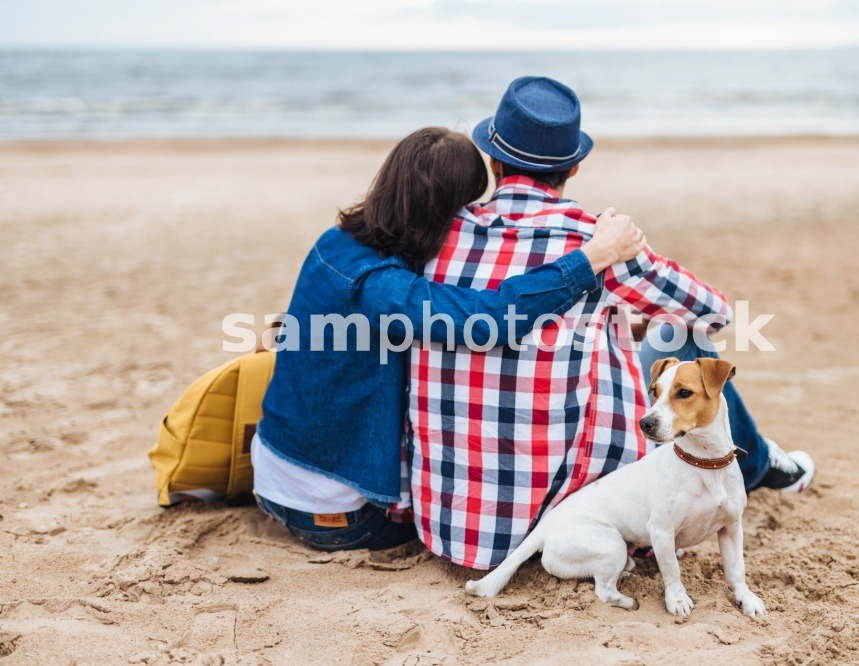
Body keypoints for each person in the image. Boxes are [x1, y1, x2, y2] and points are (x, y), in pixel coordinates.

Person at [407, 77, 815, 571]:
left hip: (451, 530)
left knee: (613, 334)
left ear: (494, 160)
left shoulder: (439, 232)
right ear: (575, 166)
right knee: (681, 335)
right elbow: (716, 312)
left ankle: (758, 457)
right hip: (569, 517)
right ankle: (756, 463)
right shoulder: (595, 241)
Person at [252, 127, 646, 553]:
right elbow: (488, 320)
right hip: (334, 513)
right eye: (467, 205)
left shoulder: (338, 241)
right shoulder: (381, 286)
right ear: (443, 210)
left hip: (273, 471)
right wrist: (595, 255)